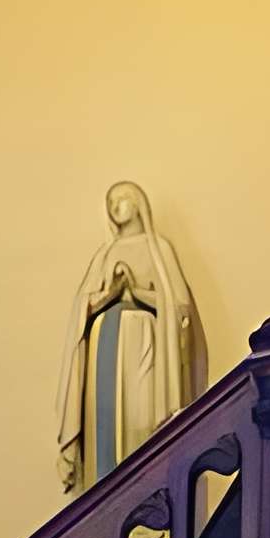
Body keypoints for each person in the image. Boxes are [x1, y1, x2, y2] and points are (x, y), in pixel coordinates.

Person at [54, 182, 202, 494]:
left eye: (122, 199)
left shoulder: (157, 248)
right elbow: (85, 305)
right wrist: (109, 293)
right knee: (104, 427)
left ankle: (144, 496)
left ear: (138, 204)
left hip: (142, 343)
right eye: (110, 201)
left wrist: (136, 291)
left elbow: (179, 307)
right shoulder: (105, 254)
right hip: (101, 350)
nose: (115, 205)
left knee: (139, 420)